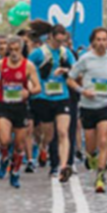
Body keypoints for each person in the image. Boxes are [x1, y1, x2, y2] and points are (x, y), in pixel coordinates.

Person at [67, 27, 107, 191]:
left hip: (106, 105)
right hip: (88, 106)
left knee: (104, 140)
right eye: (98, 40)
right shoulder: (85, 59)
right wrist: (83, 91)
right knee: (91, 145)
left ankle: (100, 176)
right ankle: (90, 156)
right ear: (93, 41)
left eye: (104, 39)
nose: (101, 43)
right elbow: (70, 80)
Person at [0, 35, 40, 189]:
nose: (13, 53)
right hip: (3, 107)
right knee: (4, 140)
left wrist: (29, 92)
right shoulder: (0, 64)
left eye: (16, 50)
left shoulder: (28, 66)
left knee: (19, 145)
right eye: (10, 50)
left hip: (20, 108)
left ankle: (15, 171)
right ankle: (5, 157)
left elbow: (38, 87)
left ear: (21, 50)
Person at [28, 24, 76, 177]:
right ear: (51, 36)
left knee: (63, 132)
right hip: (43, 97)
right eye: (58, 39)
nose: (60, 43)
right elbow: (26, 68)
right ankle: (43, 147)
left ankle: (63, 166)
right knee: (48, 134)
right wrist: (32, 83)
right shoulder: (39, 53)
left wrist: (66, 70)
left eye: (63, 39)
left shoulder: (65, 52)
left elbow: (77, 69)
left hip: (62, 97)